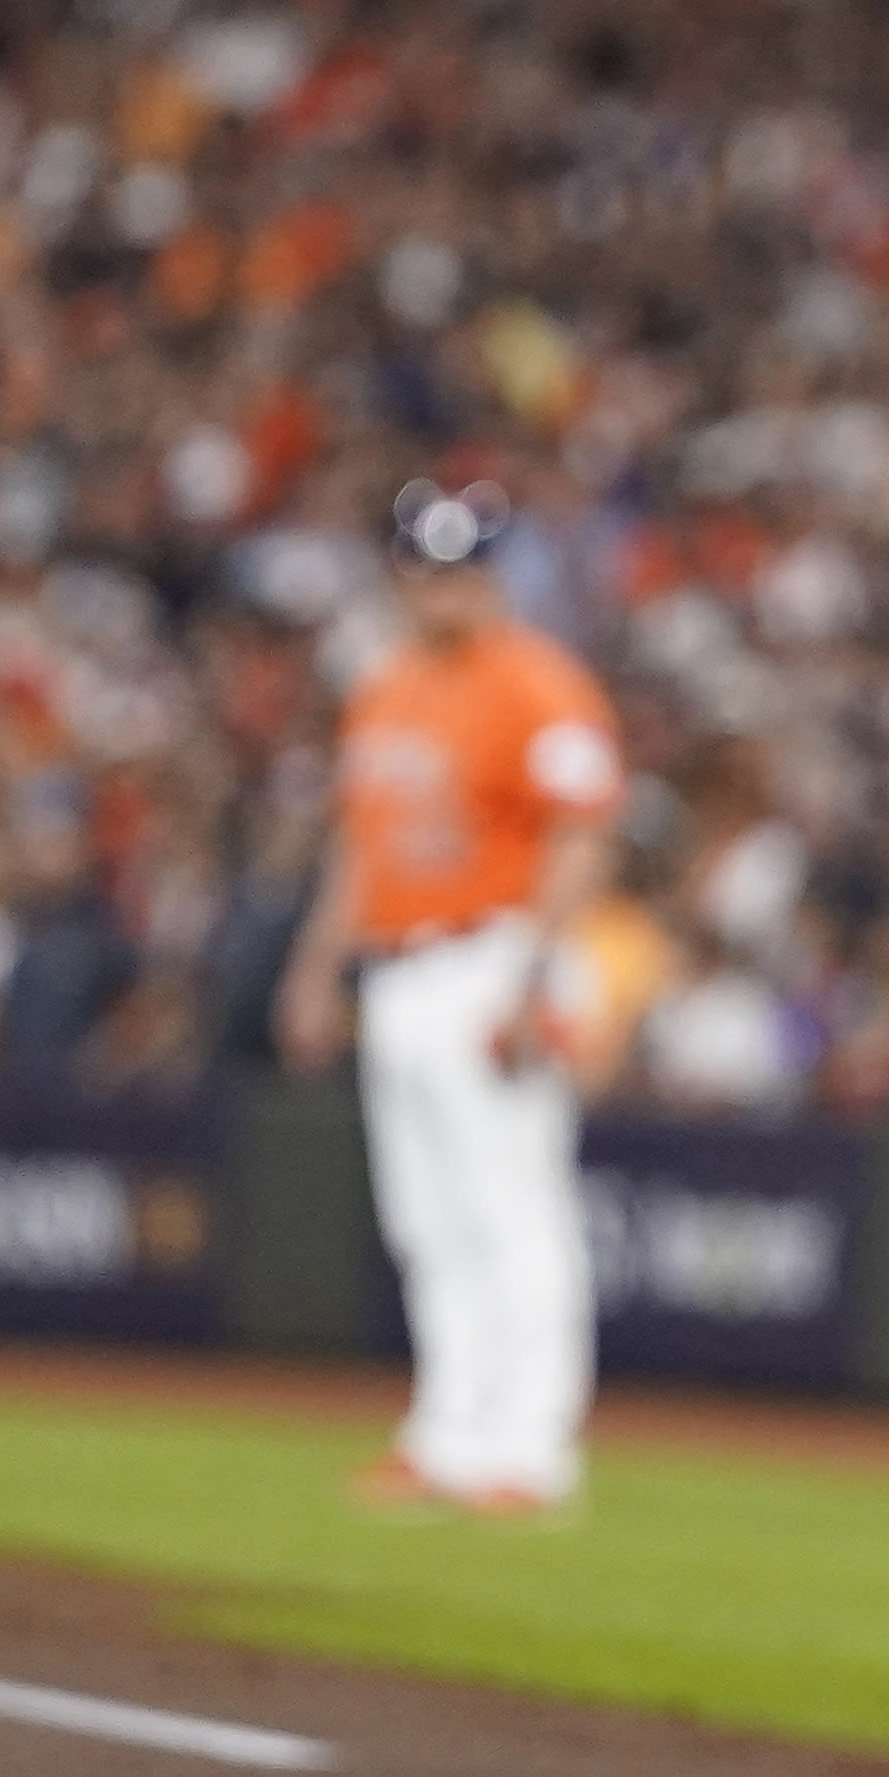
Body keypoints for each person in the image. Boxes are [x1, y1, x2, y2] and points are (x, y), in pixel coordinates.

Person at [276, 483, 624, 1519]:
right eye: (428, 569)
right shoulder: (380, 689)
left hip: (495, 957)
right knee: (427, 1220)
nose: (446, 589)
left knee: (515, 1210)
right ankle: (449, 1431)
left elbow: (582, 835)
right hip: (397, 968)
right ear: (399, 577)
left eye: (465, 569)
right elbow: (358, 843)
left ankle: (530, 1446)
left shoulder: (539, 685)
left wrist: (534, 979)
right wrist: (313, 968)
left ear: (493, 577)